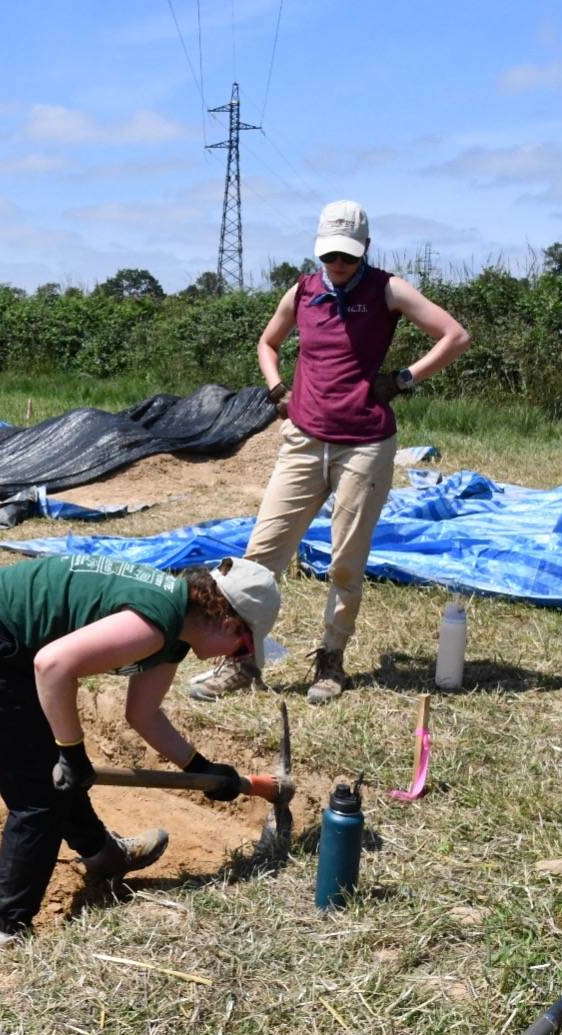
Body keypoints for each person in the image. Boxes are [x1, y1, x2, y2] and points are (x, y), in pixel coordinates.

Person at [0, 553, 279, 966]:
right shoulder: (156, 620)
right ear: (227, 623)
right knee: (39, 795)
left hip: (4, 648)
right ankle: (7, 940)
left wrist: (198, 767)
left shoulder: (175, 632)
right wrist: (71, 752)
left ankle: (104, 856)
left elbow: (142, 713)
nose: (235, 659)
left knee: (56, 777)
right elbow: (53, 665)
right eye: (242, 649)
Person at [192, 199, 469, 704]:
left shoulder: (388, 289)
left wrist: (404, 378)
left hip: (364, 445)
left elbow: (454, 335)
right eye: (329, 256)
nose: (337, 265)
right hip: (303, 442)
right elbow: (267, 343)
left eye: (346, 255)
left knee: (346, 562)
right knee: (260, 556)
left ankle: (331, 660)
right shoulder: (303, 291)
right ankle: (243, 663)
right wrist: (278, 390)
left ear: (364, 247)